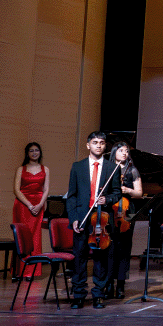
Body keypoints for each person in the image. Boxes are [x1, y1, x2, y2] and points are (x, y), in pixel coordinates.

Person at [66, 131, 121, 309]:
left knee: (100, 258)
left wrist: (108, 199)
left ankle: (98, 294)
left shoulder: (112, 168)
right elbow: (72, 196)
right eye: (95, 142)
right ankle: (79, 295)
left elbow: (117, 193)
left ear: (105, 146)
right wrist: (74, 219)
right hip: (81, 218)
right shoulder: (77, 166)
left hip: (101, 219)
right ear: (88, 145)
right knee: (79, 258)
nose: (99, 145)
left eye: (102, 143)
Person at [107, 142, 142, 299]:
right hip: (109, 211)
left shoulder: (132, 170)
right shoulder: (107, 169)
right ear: (114, 152)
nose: (124, 153)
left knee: (124, 248)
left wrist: (127, 190)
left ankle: (120, 284)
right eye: (121, 150)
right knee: (108, 248)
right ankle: (107, 284)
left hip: (127, 212)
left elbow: (139, 193)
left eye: (126, 151)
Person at [12, 142, 49, 281]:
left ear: (40, 152)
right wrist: (29, 204)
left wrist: (39, 205)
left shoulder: (45, 169)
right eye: (31, 151)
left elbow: (46, 190)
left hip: (38, 204)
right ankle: (20, 270)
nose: (34, 153)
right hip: (22, 204)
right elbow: (16, 190)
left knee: (35, 236)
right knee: (23, 236)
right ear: (27, 153)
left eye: (37, 150)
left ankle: (32, 271)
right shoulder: (21, 169)